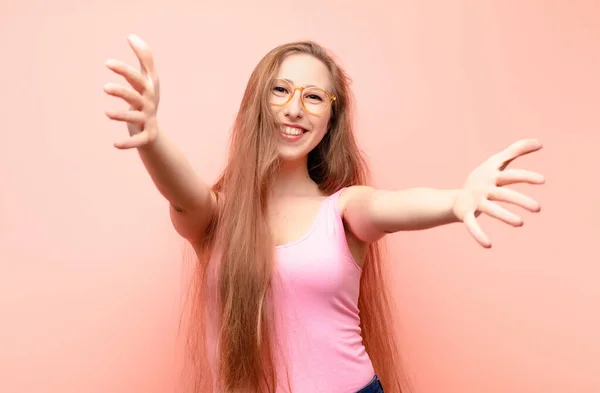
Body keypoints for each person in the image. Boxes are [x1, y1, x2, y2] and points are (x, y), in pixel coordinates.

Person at [103, 34, 545, 393]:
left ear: (331, 119)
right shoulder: (216, 217)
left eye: (314, 97)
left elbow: (390, 206)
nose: (295, 108)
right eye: (281, 90)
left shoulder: (345, 209)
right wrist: (151, 137)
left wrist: (455, 200)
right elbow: (184, 194)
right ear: (256, 102)